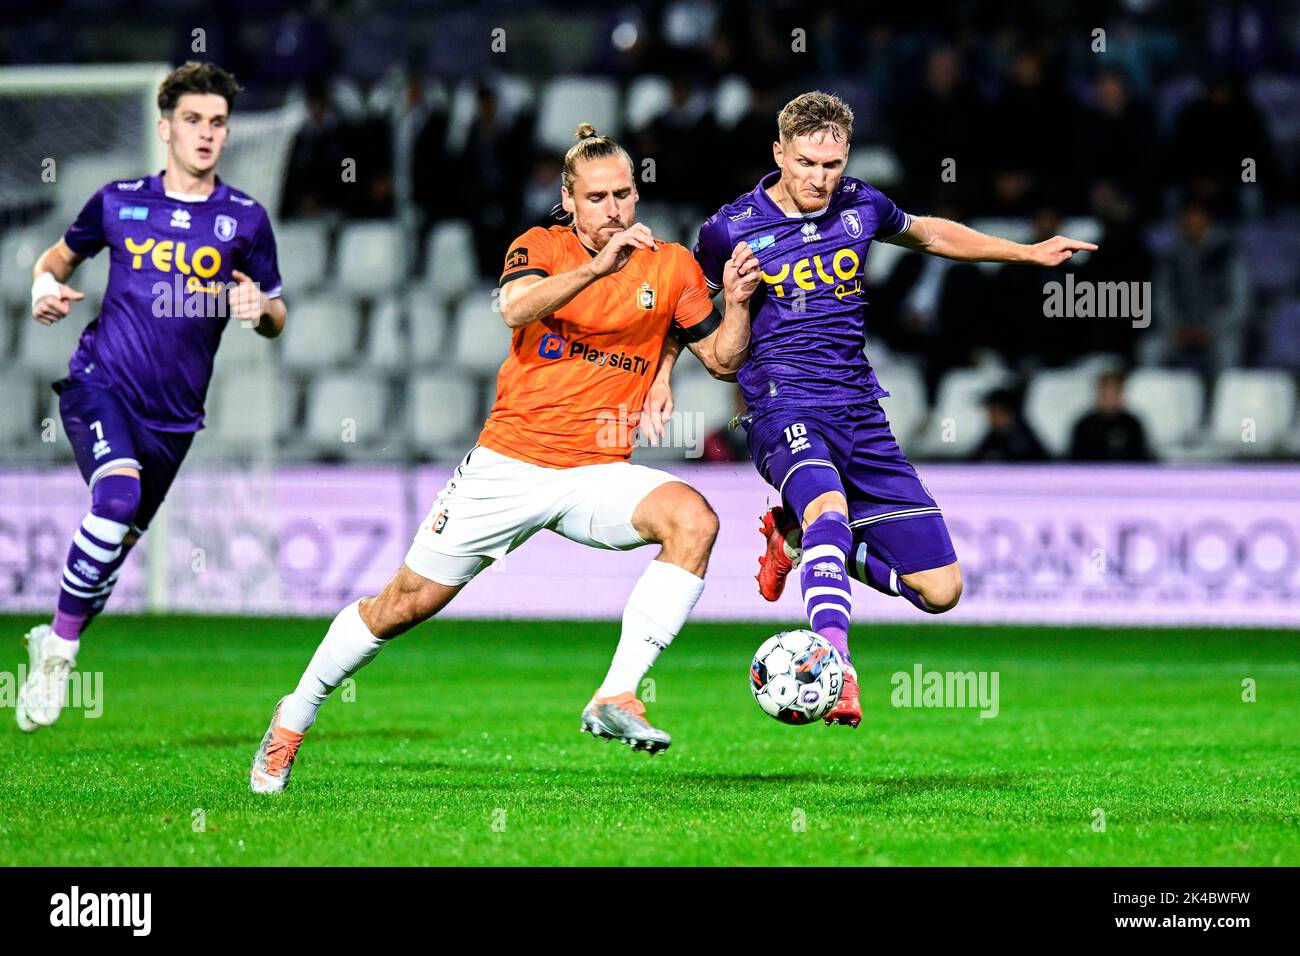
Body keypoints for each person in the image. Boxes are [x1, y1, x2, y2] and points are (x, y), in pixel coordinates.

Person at [249, 125, 757, 792]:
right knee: (402, 606)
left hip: (596, 471)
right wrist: (594, 270)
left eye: (624, 194)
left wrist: (740, 305)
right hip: (509, 465)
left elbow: (722, 361)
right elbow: (515, 308)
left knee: (694, 519)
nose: (613, 209)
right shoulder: (538, 247)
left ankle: (616, 694)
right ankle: (295, 715)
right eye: (597, 197)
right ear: (569, 202)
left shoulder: (670, 265)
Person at [674, 91, 1095, 728]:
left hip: (860, 411)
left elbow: (928, 233)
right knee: (829, 508)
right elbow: (699, 333)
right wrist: (664, 374)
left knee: (941, 590)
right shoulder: (728, 229)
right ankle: (835, 667)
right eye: (808, 163)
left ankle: (794, 537)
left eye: (833, 164)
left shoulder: (861, 204)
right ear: (779, 154)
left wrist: (1026, 252)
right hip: (783, 405)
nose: (821, 178)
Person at [16, 62, 285, 733]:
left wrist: (260, 310)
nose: (205, 133)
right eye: (192, 120)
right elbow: (55, 259)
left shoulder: (245, 220)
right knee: (116, 498)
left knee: (110, 555)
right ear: (165, 127)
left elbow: (278, 312)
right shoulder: (117, 201)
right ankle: (58, 656)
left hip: (174, 421)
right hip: (99, 386)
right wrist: (42, 290)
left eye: (217, 122)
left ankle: (62, 630)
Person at [1068, 371, 1154, 462]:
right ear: (1098, 394)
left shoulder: (1132, 424)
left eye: (1114, 394)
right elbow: (1074, 461)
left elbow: (1143, 458)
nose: (1110, 400)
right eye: (1105, 394)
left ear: (1121, 395)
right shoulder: (1084, 425)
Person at [972, 387, 1050, 462]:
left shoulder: (1023, 438)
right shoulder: (994, 435)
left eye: (993, 412)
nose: (989, 417)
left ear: (1008, 413)